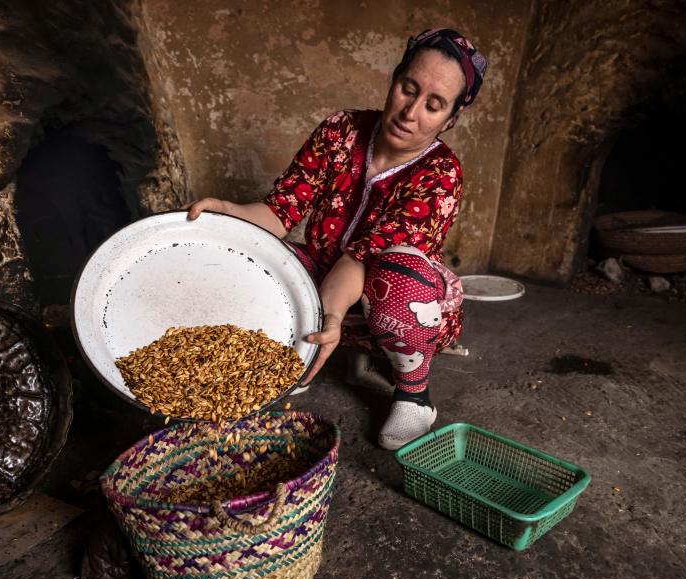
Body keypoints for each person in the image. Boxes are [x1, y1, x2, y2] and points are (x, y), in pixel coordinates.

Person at [186, 28, 486, 449]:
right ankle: (298, 356)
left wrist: (328, 314)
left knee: (399, 275)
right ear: (394, 79)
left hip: (397, 306)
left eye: (433, 106)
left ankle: (415, 394)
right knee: (262, 259)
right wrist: (231, 216)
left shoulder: (441, 173)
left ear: (449, 119)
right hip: (324, 280)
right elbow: (280, 210)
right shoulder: (340, 130)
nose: (410, 112)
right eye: (408, 89)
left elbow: (359, 261)